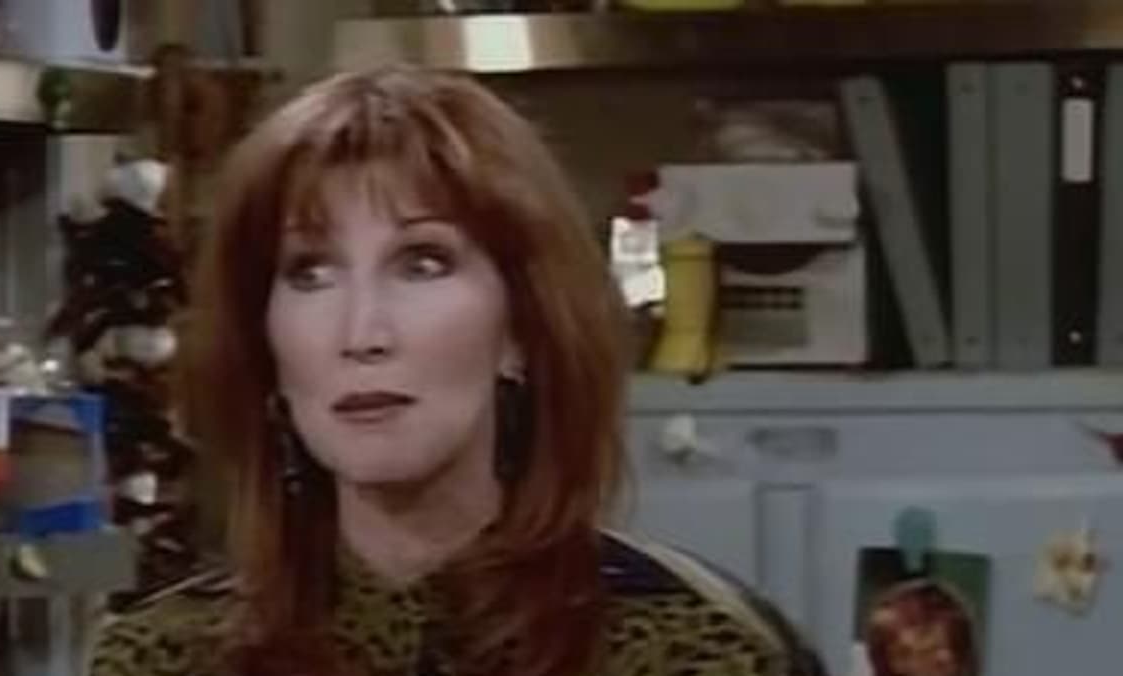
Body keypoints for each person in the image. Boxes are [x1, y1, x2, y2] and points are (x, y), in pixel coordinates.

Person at [88, 67, 823, 676]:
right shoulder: (163, 659)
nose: (361, 333)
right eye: (310, 271)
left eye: (423, 263)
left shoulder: (696, 653)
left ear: (522, 326)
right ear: (267, 343)